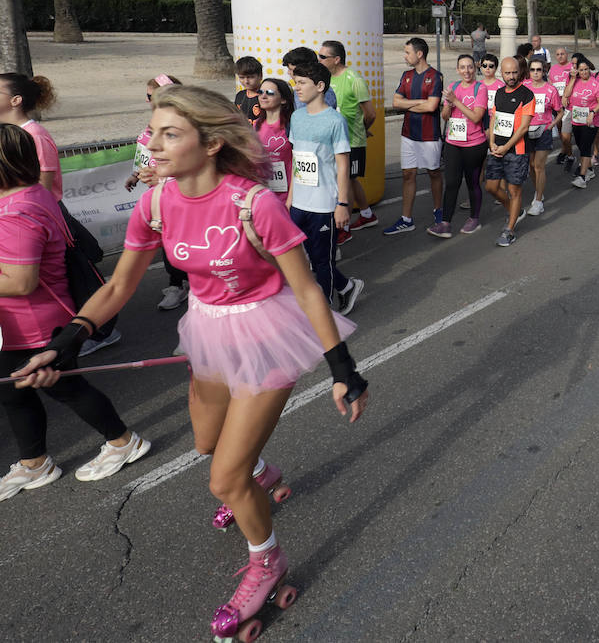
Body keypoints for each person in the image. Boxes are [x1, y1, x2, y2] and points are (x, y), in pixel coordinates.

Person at [12, 85, 369, 640]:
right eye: (152, 130)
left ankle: (265, 560)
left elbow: (306, 291)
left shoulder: (254, 203)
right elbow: (121, 285)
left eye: (169, 133)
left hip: (264, 332)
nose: (152, 143)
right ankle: (259, 474)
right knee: (209, 445)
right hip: (206, 329)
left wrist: (343, 369)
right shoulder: (155, 203)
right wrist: (67, 340)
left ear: (211, 143)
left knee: (221, 478)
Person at [0, 125, 150, 501]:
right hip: (23, 323)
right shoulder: (31, 192)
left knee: (66, 388)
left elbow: (20, 281)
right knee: (16, 394)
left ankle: (123, 441)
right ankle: (34, 461)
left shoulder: (17, 211)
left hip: (33, 323)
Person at [288, 63, 364, 314]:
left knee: (323, 261)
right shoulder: (296, 117)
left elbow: (343, 167)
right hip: (299, 202)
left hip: (323, 204)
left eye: (301, 83)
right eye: (295, 82)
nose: (296, 87)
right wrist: (290, 198)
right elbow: (296, 161)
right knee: (306, 257)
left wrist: (342, 204)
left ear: (320, 87)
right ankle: (347, 287)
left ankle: (326, 311)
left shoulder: (335, 120)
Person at [123, 74, 189, 320]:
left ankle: (183, 285)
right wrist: (136, 175)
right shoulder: (151, 126)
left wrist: (162, 180)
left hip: (180, 198)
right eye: (149, 96)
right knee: (167, 244)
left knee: (184, 244)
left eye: (155, 96)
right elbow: (145, 159)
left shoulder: (185, 128)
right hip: (157, 199)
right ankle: (177, 284)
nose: (150, 101)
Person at [318, 41, 377, 239]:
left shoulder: (354, 79)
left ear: (337, 59)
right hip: (334, 142)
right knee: (349, 180)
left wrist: (362, 130)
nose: (319, 60)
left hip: (352, 141)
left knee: (347, 180)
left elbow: (370, 114)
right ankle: (367, 214)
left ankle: (345, 229)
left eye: (323, 57)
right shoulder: (325, 79)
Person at [385, 37, 444, 235]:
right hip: (408, 134)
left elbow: (432, 106)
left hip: (429, 135)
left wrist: (409, 103)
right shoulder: (406, 75)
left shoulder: (435, 76)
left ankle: (439, 212)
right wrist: (419, 102)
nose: (405, 55)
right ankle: (406, 219)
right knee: (407, 175)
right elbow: (395, 102)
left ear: (419, 54)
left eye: (407, 52)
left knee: (433, 173)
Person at [432, 55, 489, 237]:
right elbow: (445, 116)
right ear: (457, 69)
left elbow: (476, 117)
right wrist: (448, 104)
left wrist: (455, 101)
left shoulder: (480, 88)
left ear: (475, 68)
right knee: (452, 183)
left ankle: (474, 218)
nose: (466, 71)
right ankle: (445, 223)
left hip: (474, 144)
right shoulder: (453, 87)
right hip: (453, 142)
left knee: (472, 183)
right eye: (462, 67)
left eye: (470, 67)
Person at [485, 56, 535, 247]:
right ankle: (516, 211)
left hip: (517, 150)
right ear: (502, 73)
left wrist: (506, 147)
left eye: (515, 72)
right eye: (508, 73)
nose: (512, 76)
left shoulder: (527, 94)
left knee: (514, 190)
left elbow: (523, 128)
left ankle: (509, 230)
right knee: (491, 187)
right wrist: (491, 142)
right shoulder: (498, 93)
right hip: (497, 147)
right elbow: (494, 118)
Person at [0, 72, 62, 201]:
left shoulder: (35, 135)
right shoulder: (4, 133)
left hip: (35, 213)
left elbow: (43, 188)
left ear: (16, 100)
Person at [523, 56, 563, 215]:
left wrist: (551, 125)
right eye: (532, 69)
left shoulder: (550, 90)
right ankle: (538, 191)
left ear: (544, 71)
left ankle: (538, 201)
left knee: (539, 166)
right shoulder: (524, 87)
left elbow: (560, 111)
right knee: (531, 165)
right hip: (526, 131)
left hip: (543, 131)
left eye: (538, 70)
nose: (535, 73)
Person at [567, 56, 599, 190]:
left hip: (591, 121)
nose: (584, 72)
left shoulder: (596, 84)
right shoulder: (575, 81)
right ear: (577, 70)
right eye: (581, 70)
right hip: (576, 120)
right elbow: (566, 95)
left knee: (585, 146)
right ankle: (589, 169)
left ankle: (582, 177)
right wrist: (572, 79)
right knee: (580, 144)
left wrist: (593, 112)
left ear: (589, 70)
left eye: (586, 69)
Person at [252, 78, 293, 200]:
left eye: (269, 93)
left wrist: (290, 200)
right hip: (264, 193)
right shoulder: (257, 124)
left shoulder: (291, 125)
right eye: (260, 92)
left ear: (283, 99)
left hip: (289, 195)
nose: (263, 96)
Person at [234, 56, 264, 123]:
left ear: (260, 75)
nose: (246, 81)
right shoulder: (240, 96)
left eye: (250, 77)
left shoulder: (265, 97)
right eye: (242, 77)